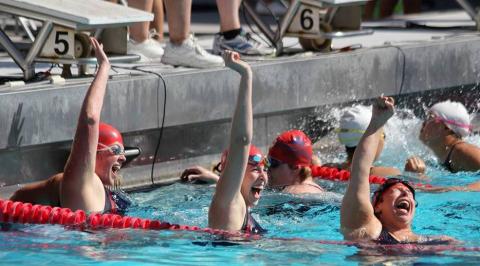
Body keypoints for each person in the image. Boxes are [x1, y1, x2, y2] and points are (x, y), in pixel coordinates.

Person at [10, 38, 131, 214]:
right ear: (93, 152)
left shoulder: (107, 194)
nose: (123, 158)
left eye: (122, 151)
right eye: (115, 150)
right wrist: (104, 68)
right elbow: (89, 119)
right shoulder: (83, 184)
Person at [340, 96, 455, 244]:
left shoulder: (439, 241)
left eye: (410, 193)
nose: (406, 192)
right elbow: (359, 174)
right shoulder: (370, 232)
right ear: (377, 206)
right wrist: (377, 121)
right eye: (399, 189)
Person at [208, 51, 268, 234]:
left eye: (264, 169)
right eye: (256, 168)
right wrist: (246, 74)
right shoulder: (230, 200)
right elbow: (241, 139)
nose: (263, 177)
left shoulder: (240, 206)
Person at [328, 105, 426, 177]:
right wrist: (416, 176)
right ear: (374, 140)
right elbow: (434, 190)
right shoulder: (390, 173)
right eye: (383, 135)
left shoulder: (328, 169)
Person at [419, 100, 480, 172]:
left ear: (447, 127)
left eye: (430, 118)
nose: (424, 123)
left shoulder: (461, 151)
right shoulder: (442, 153)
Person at [267, 130, 324, 194]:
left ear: (294, 167)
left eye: (273, 163)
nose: (268, 169)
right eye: (267, 161)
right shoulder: (317, 189)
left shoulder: (293, 192)